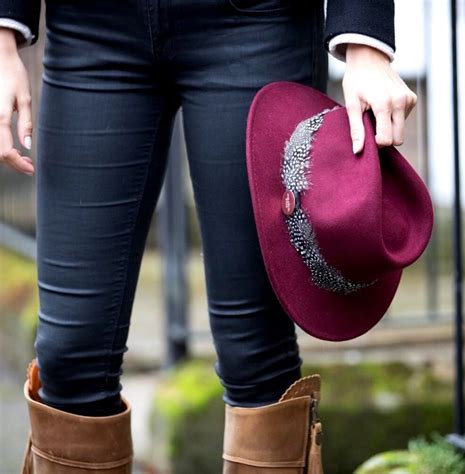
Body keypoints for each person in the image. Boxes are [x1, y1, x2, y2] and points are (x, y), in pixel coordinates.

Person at [0, 0, 417, 472]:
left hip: (255, 22)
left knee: (256, 354)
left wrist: (364, 38)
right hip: (91, 30)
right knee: (69, 357)